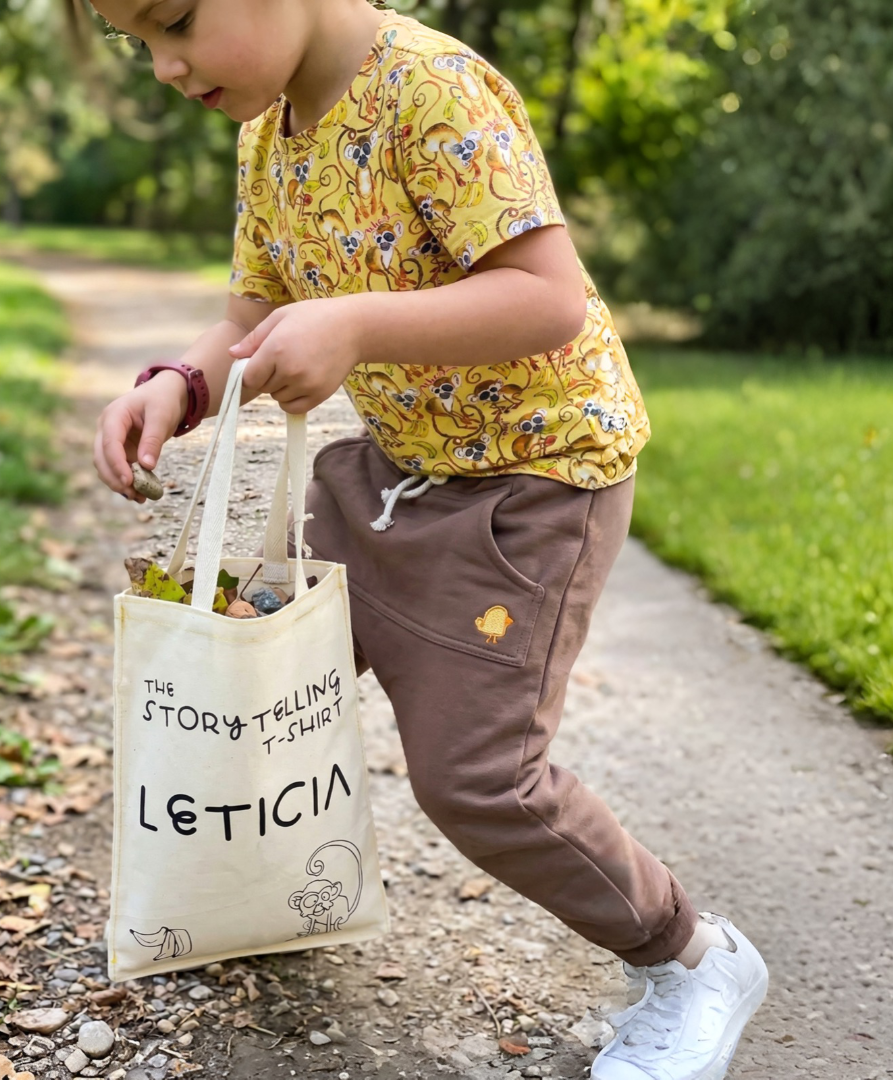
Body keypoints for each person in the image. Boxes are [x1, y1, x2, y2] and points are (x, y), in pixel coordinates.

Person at [89, 2, 768, 1076]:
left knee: (475, 778)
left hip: (531, 484)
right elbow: (249, 317)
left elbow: (548, 299)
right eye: (138, 43)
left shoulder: (428, 91)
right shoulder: (267, 135)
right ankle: (266, 888)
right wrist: (183, 382)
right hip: (394, 470)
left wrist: (354, 322)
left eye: (175, 19)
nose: (166, 68)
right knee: (248, 670)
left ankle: (692, 959)